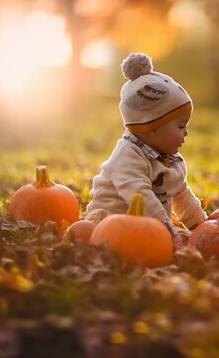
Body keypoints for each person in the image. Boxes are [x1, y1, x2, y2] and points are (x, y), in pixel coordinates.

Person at [85, 52, 207, 249]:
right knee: (88, 235)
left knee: (180, 242)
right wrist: (167, 229)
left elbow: (181, 194)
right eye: (180, 126)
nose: (186, 133)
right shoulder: (127, 156)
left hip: (153, 227)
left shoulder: (171, 160)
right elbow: (139, 195)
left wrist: (201, 225)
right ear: (152, 126)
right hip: (111, 223)